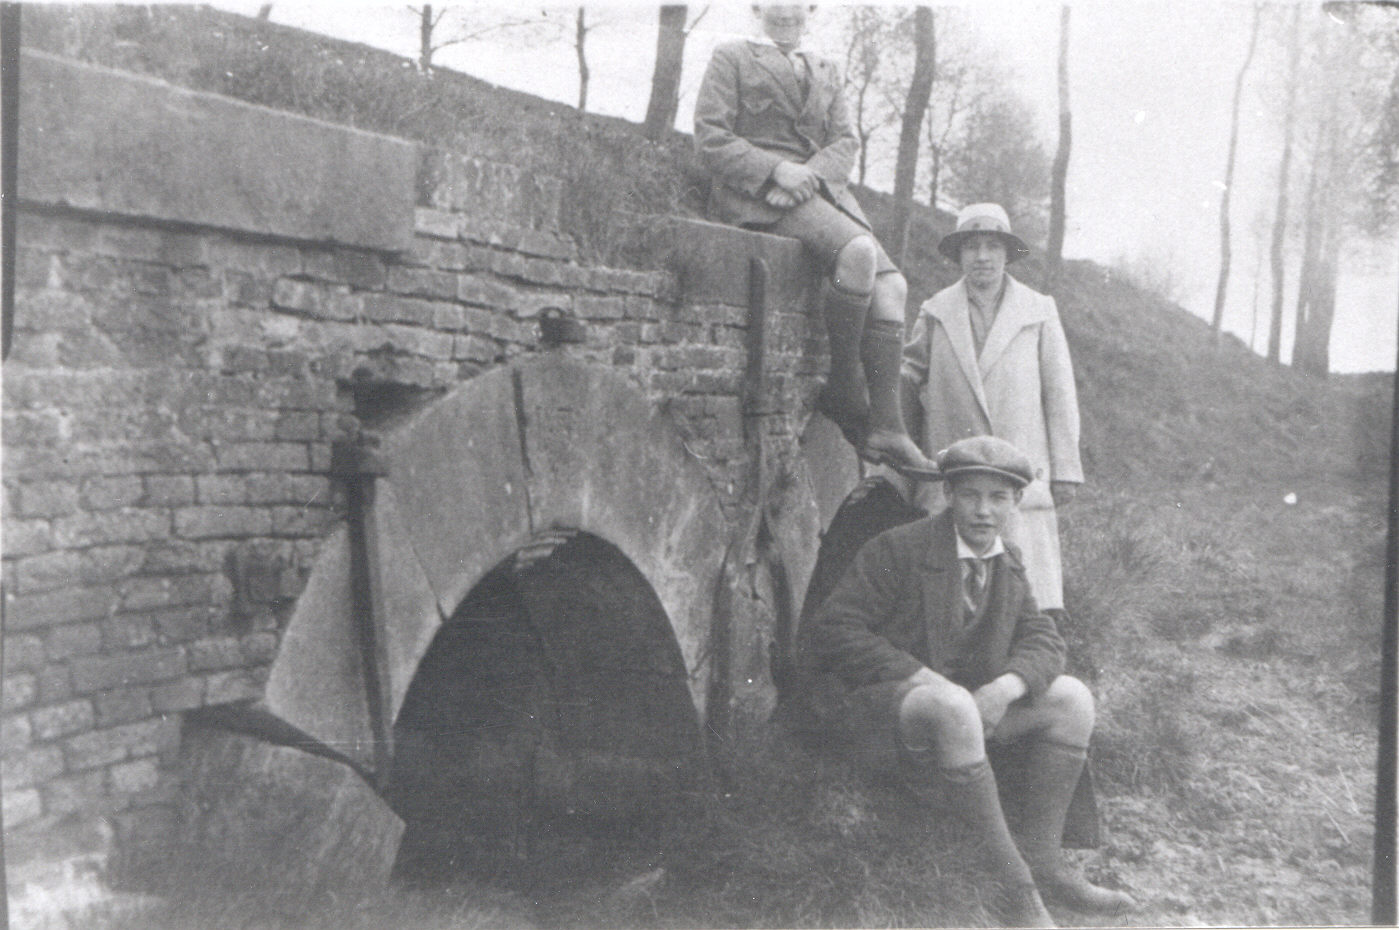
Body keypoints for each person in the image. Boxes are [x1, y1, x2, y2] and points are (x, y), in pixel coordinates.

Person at [799, 436, 1134, 927]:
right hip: (882, 710)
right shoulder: (901, 548)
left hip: (964, 716)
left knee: (1072, 699)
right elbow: (835, 629)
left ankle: (1045, 864)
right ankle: (1016, 889)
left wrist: (1004, 689)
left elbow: (1043, 638)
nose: (983, 511)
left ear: (1016, 503)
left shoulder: (1007, 561)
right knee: (953, 705)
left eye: (998, 498)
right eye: (971, 495)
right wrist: (925, 679)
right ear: (948, 495)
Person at [693, 4, 938, 480]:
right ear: (756, 7)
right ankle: (845, 385)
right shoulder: (733, 57)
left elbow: (845, 140)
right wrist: (775, 170)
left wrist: (809, 175)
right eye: (773, 3)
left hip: (821, 192)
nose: (785, 11)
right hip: (758, 195)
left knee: (895, 290)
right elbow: (710, 137)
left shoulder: (826, 68)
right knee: (858, 253)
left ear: (811, 8)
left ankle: (888, 425)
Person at [900, 203, 1083, 611]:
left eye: (992, 246)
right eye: (971, 247)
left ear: (1006, 253)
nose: (982, 257)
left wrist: (1065, 470)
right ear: (959, 255)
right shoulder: (935, 311)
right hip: (954, 466)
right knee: (953, 591)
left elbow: (1060, 394)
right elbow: (908, 380)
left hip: (1021, 468)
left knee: (1021, 587)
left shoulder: (1039, 311)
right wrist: (908, 460)